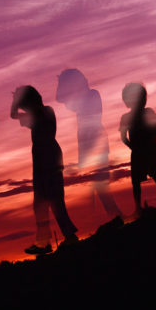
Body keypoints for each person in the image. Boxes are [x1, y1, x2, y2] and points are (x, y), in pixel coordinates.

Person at [10, 85, 80, 254]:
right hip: (43, 160)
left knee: (54, 201)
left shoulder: (43, 112)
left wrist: (17, 99)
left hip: (48, 160)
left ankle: (68, 237)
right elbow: (14, 115)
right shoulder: (39, 114)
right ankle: (46, 242)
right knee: (41, 204)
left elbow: (15, 114)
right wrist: (16, 99)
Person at [55, 68, 120, 218]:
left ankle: (118, 218)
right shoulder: (81, 100)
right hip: (88, 145)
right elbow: (60, 98)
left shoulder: (91, 95)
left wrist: (65, 81)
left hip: (96, 144)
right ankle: (117, 218)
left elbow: (63, 99)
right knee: (100, 186)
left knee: (101, 185)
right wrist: (63, 81)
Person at [119, 83, 156, 214]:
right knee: (140, 179)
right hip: (143, 150)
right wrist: (136, 147)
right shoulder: (127, 118)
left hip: (146, 149)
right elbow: (124, 137)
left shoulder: (145, 113)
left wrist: (142, 144)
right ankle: (140, 206)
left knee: (154, 175)